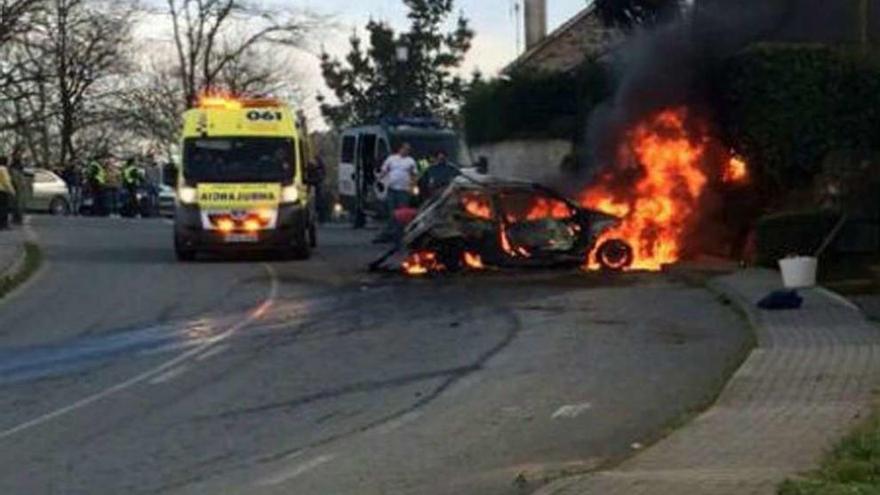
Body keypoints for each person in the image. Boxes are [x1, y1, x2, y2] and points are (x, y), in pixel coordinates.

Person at [375, 143, 417, 243]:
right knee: (392, 212)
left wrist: (413, 186)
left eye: (408, 150)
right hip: (392, 189)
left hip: (404, 190)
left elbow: (414, 174)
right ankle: (390, 233)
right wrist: (379, 180)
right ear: (400, 149)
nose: (406, 151)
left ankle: (400, 233)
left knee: (402, 212)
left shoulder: (410, 161)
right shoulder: (391, 159)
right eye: (405, 149)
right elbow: (384, 170)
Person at [9, 153, 29, 225]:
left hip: (16, 186)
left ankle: (17, 218)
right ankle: (17, 218)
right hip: (16, 186)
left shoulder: (15, 166)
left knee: (17, 203)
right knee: (17, 203)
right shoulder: (16, 166)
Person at [0, 157, 15, 230]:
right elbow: (6, 182)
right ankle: (3, 225)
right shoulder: (3, 169)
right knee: (3, 209)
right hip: (2, 191)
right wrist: (12, 191)